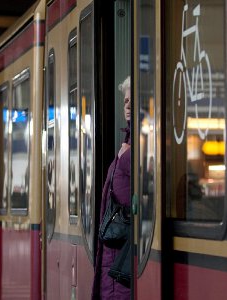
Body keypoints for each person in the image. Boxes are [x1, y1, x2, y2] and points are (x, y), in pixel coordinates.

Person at [92, 76, 133, 299]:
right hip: (115, 255)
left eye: (132, 99)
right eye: (125, 100)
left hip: (123, 256)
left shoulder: (135, 148)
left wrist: (127, 157)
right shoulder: (127, 144)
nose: (127, 104)